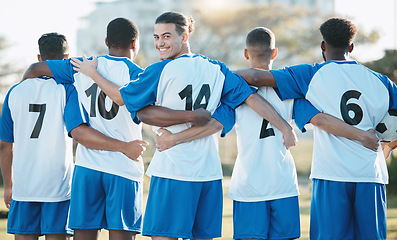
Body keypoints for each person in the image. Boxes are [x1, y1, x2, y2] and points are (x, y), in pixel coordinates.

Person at [70, 11, 299, 240]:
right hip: (208, 174)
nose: (160, 43)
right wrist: (285, 128)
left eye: (167, 36)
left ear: (185, 37)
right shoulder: (217, 69)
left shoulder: (160, 70)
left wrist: (92, 73)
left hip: (172, 170)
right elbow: (251, 98)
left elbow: (135, 107)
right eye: (157, 37)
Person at [155, 26, 381, 240]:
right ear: (275, 52)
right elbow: (320, 119)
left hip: (248, 186)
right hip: (283, 185)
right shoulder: (292, 92)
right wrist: (363, 135)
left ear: (245, 53)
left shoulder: (233, 94)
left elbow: (213, 125)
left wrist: (174, 139)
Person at [235, 17, 397, 240]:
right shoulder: (381, 81)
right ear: (351, 47)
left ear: (323, 46)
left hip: (331, 174)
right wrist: (389, 146)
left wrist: (220, 76)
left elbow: (254, 76)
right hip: (371, 174)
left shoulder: (310, 75)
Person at [20, 19, 166, 240]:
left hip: (87, 167)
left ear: (106, 41)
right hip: (124, 168)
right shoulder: (140, 75)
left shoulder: (80, 66)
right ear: (135, 43)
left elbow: (34, 69)